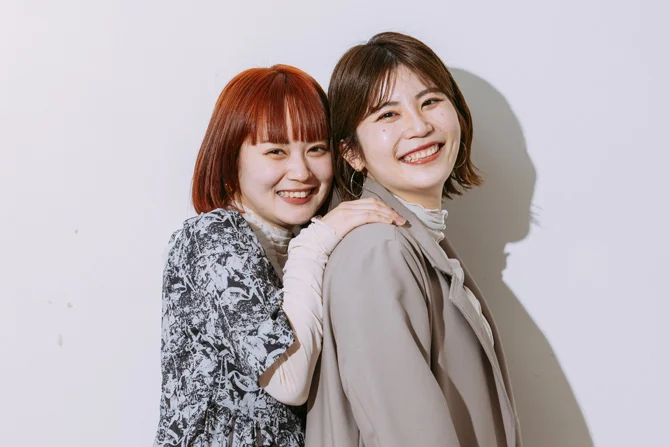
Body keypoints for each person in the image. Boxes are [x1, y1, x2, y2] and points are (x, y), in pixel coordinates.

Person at [153, 64, 405, 447]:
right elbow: (289, 381)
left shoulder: (301, 246)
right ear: (230, 158)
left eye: (316, 149)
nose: (301, 171)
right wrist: (315, 243)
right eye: (276, 151)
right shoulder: (213, 236)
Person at [306, 33, 522, 447]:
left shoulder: (413, 241)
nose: (419, 127)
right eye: (388, 114)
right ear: (352, 153)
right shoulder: (379, 251)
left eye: (430, 101)